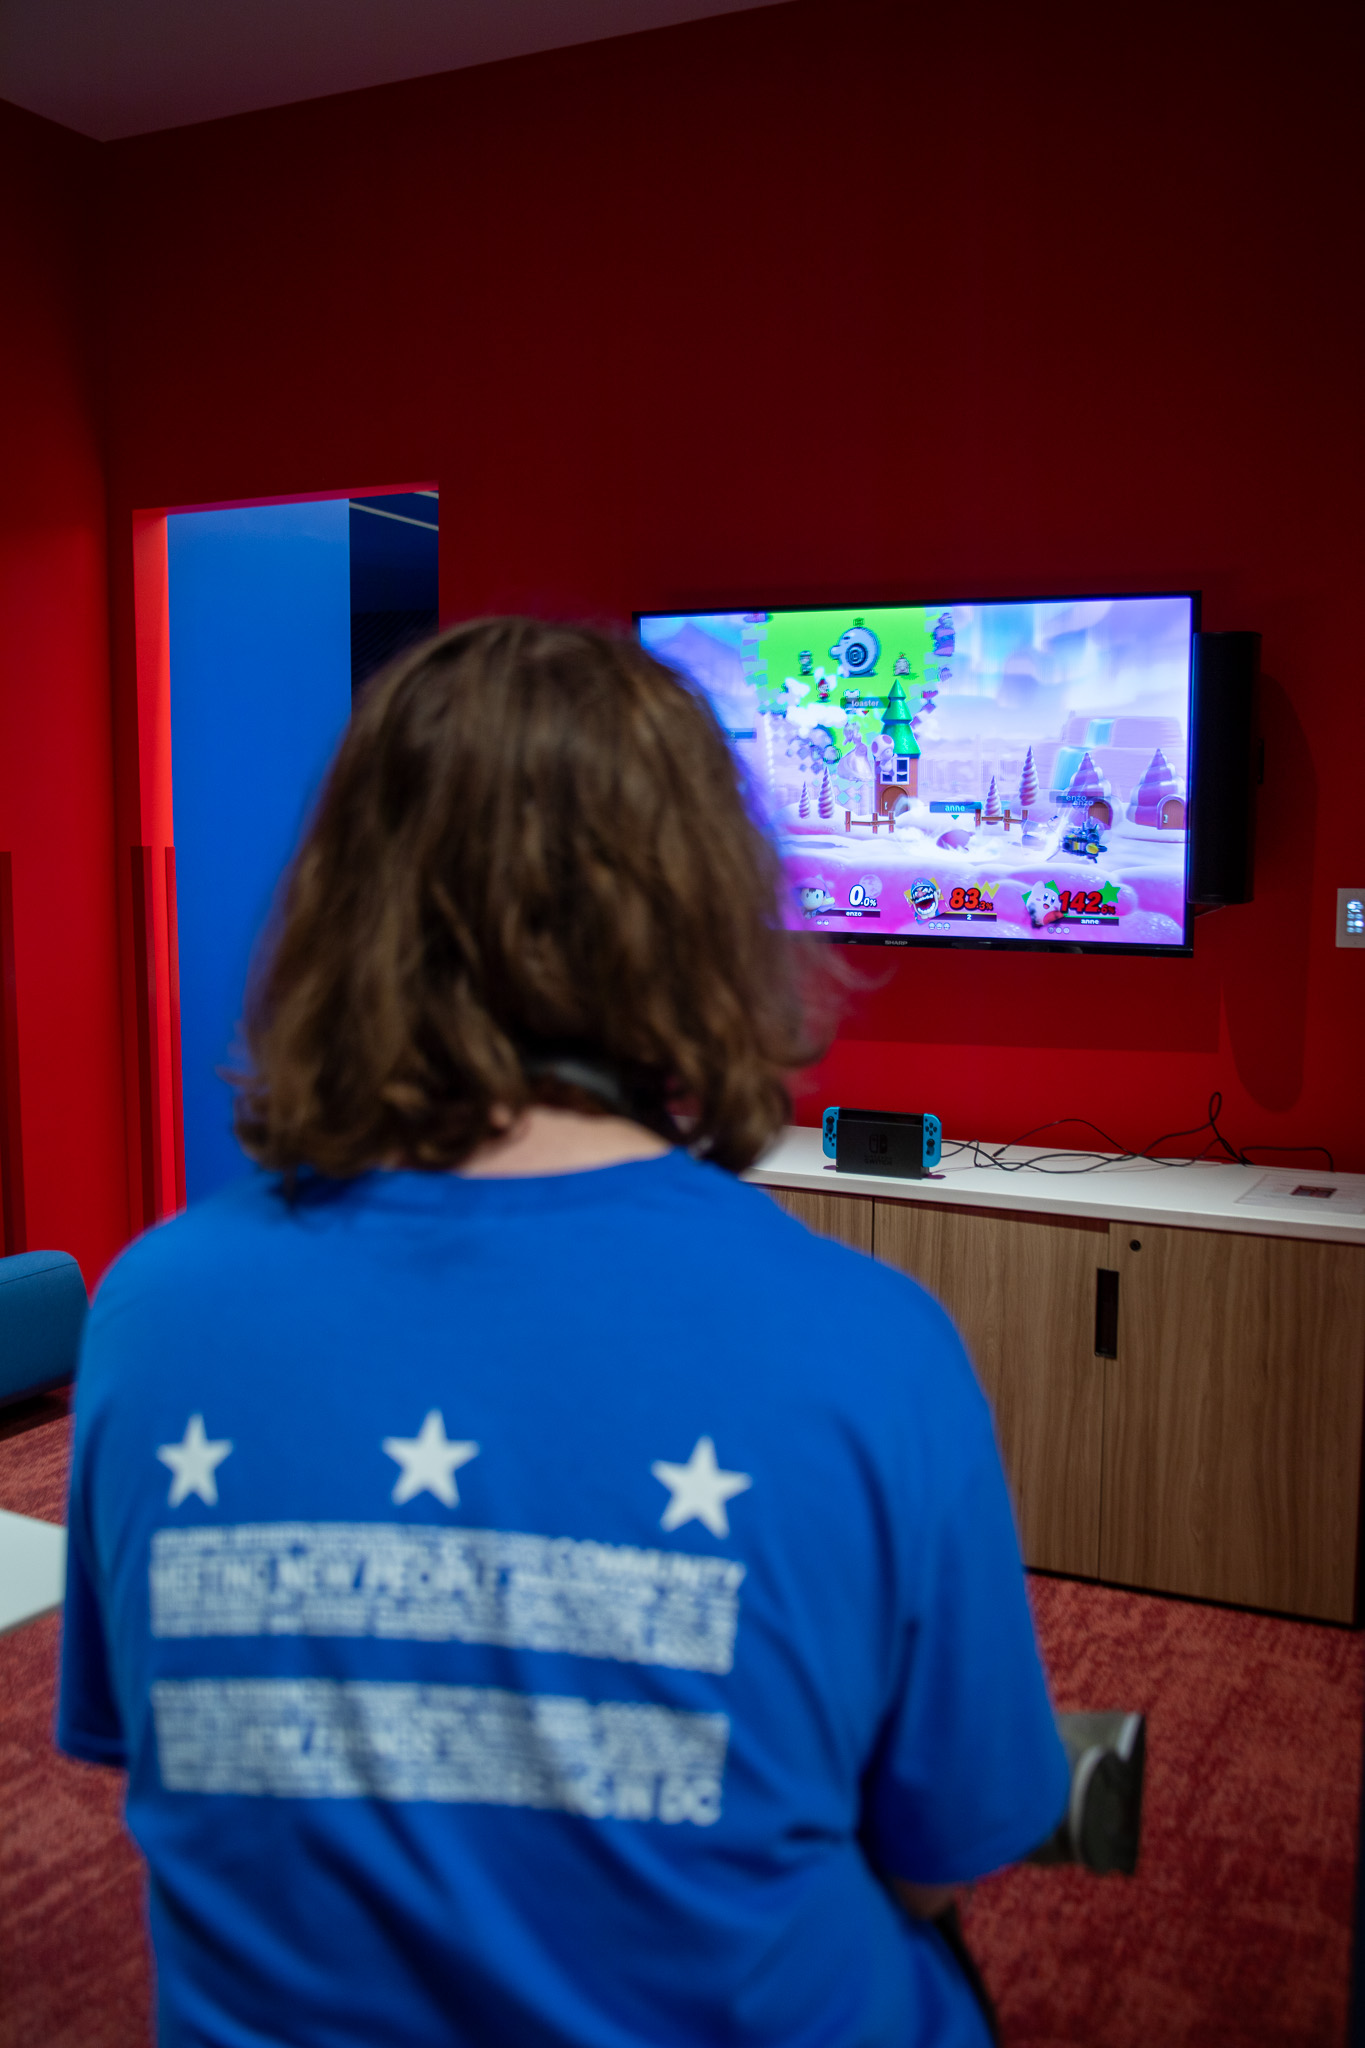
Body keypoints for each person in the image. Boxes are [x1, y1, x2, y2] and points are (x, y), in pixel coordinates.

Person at [59, 618, 1068, 2048]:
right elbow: (935, 1856)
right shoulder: (872, 1346)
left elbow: (168, 1758)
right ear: (705, 916)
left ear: (347, 902)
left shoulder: (147, 1308)